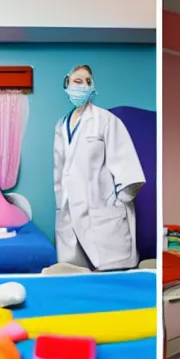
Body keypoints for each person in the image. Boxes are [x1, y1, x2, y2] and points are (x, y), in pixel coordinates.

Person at [53, 64, 146, 271]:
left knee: (112, 278)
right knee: (74, 276)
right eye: (78, 81)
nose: (83, 86)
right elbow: (60, 171)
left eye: (88, 81)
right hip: (69, 214)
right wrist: (62, 203)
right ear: (66, 84)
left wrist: (117, 202)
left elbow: (128, 166)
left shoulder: (106, 120)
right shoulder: (61, 125)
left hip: (103, 213)